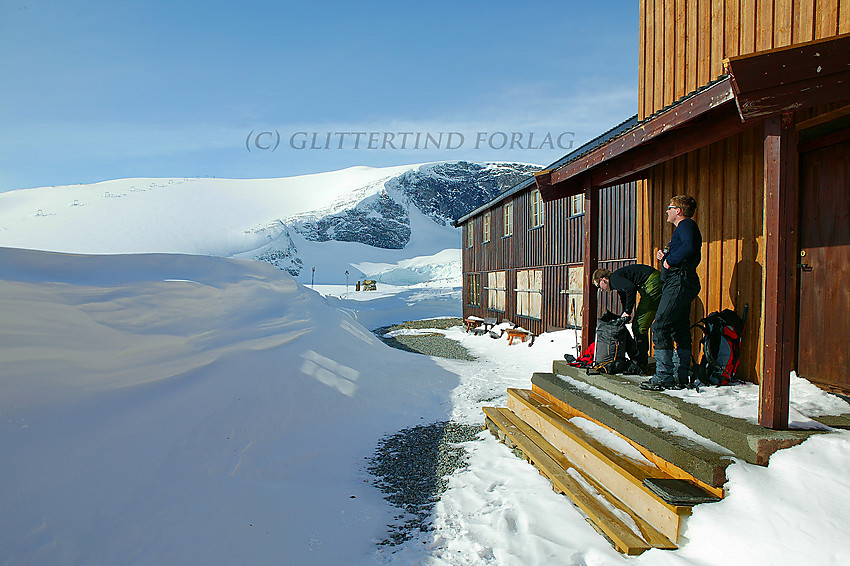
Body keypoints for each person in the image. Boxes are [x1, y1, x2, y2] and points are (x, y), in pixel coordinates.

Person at [641, 195, 702, 391]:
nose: (667, 211)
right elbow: (685, 248)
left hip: (679, 282)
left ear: (679, 211)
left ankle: (664, 376)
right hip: (680, 281)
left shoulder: (686, 225)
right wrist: (665, 256)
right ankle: (680, 375)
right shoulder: (683, 229)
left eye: (670, 208)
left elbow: (690, 247)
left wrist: (670, 260)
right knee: (679, 327)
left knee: (660, 326)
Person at [593, 264, 661, 372]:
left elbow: (630, 288)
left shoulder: (614, 279)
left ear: (603, 280)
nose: (601, 290)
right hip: (651, 281)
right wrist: (625, 313)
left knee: (639, 325)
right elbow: (624, 296)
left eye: (599, 286)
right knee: (638, 324)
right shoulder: (617, 281)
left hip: (652, 281)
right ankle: (640, 360)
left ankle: (642, 363)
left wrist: (628, 311)